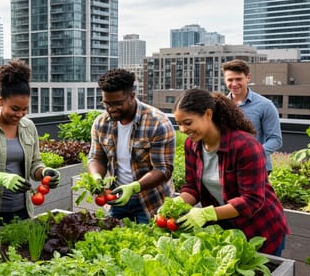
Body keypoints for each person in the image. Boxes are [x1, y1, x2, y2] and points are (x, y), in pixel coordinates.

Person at [173, 88, 289, 255]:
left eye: (188, 123)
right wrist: (177, 203)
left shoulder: (245, 146)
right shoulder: (192, 145)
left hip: (259, 228)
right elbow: (192, 186)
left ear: (207, 114)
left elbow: (251, 200)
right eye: (179, 124)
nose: (183, 130)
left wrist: (206, 214)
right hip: (223, 225)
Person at [0, 60, 61, 225]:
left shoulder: (29, 127)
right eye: (15, 109)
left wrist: (45, 172)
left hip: (23, 209)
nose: (20, 115)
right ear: (1, 102)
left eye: (25, 110)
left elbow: (35, 164)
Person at [87, 68, 175, 223]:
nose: (111, 109)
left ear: (132, 96)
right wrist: (96, 176)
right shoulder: (101, 123)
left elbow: (163, 169)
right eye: (107, 103)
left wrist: (134, 187)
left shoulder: (157, 123)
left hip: (150, 202)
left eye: (117, 104)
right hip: (116, 198)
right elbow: (97, 158)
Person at [221, 59, 282, 171]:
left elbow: (276, 140)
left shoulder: (265, 105)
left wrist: (253, 154)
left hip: (256, 167)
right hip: (227, 168)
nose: (234, 84)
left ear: (248, 78)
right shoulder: (221, 105)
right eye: (230, 80)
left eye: (239, 79)